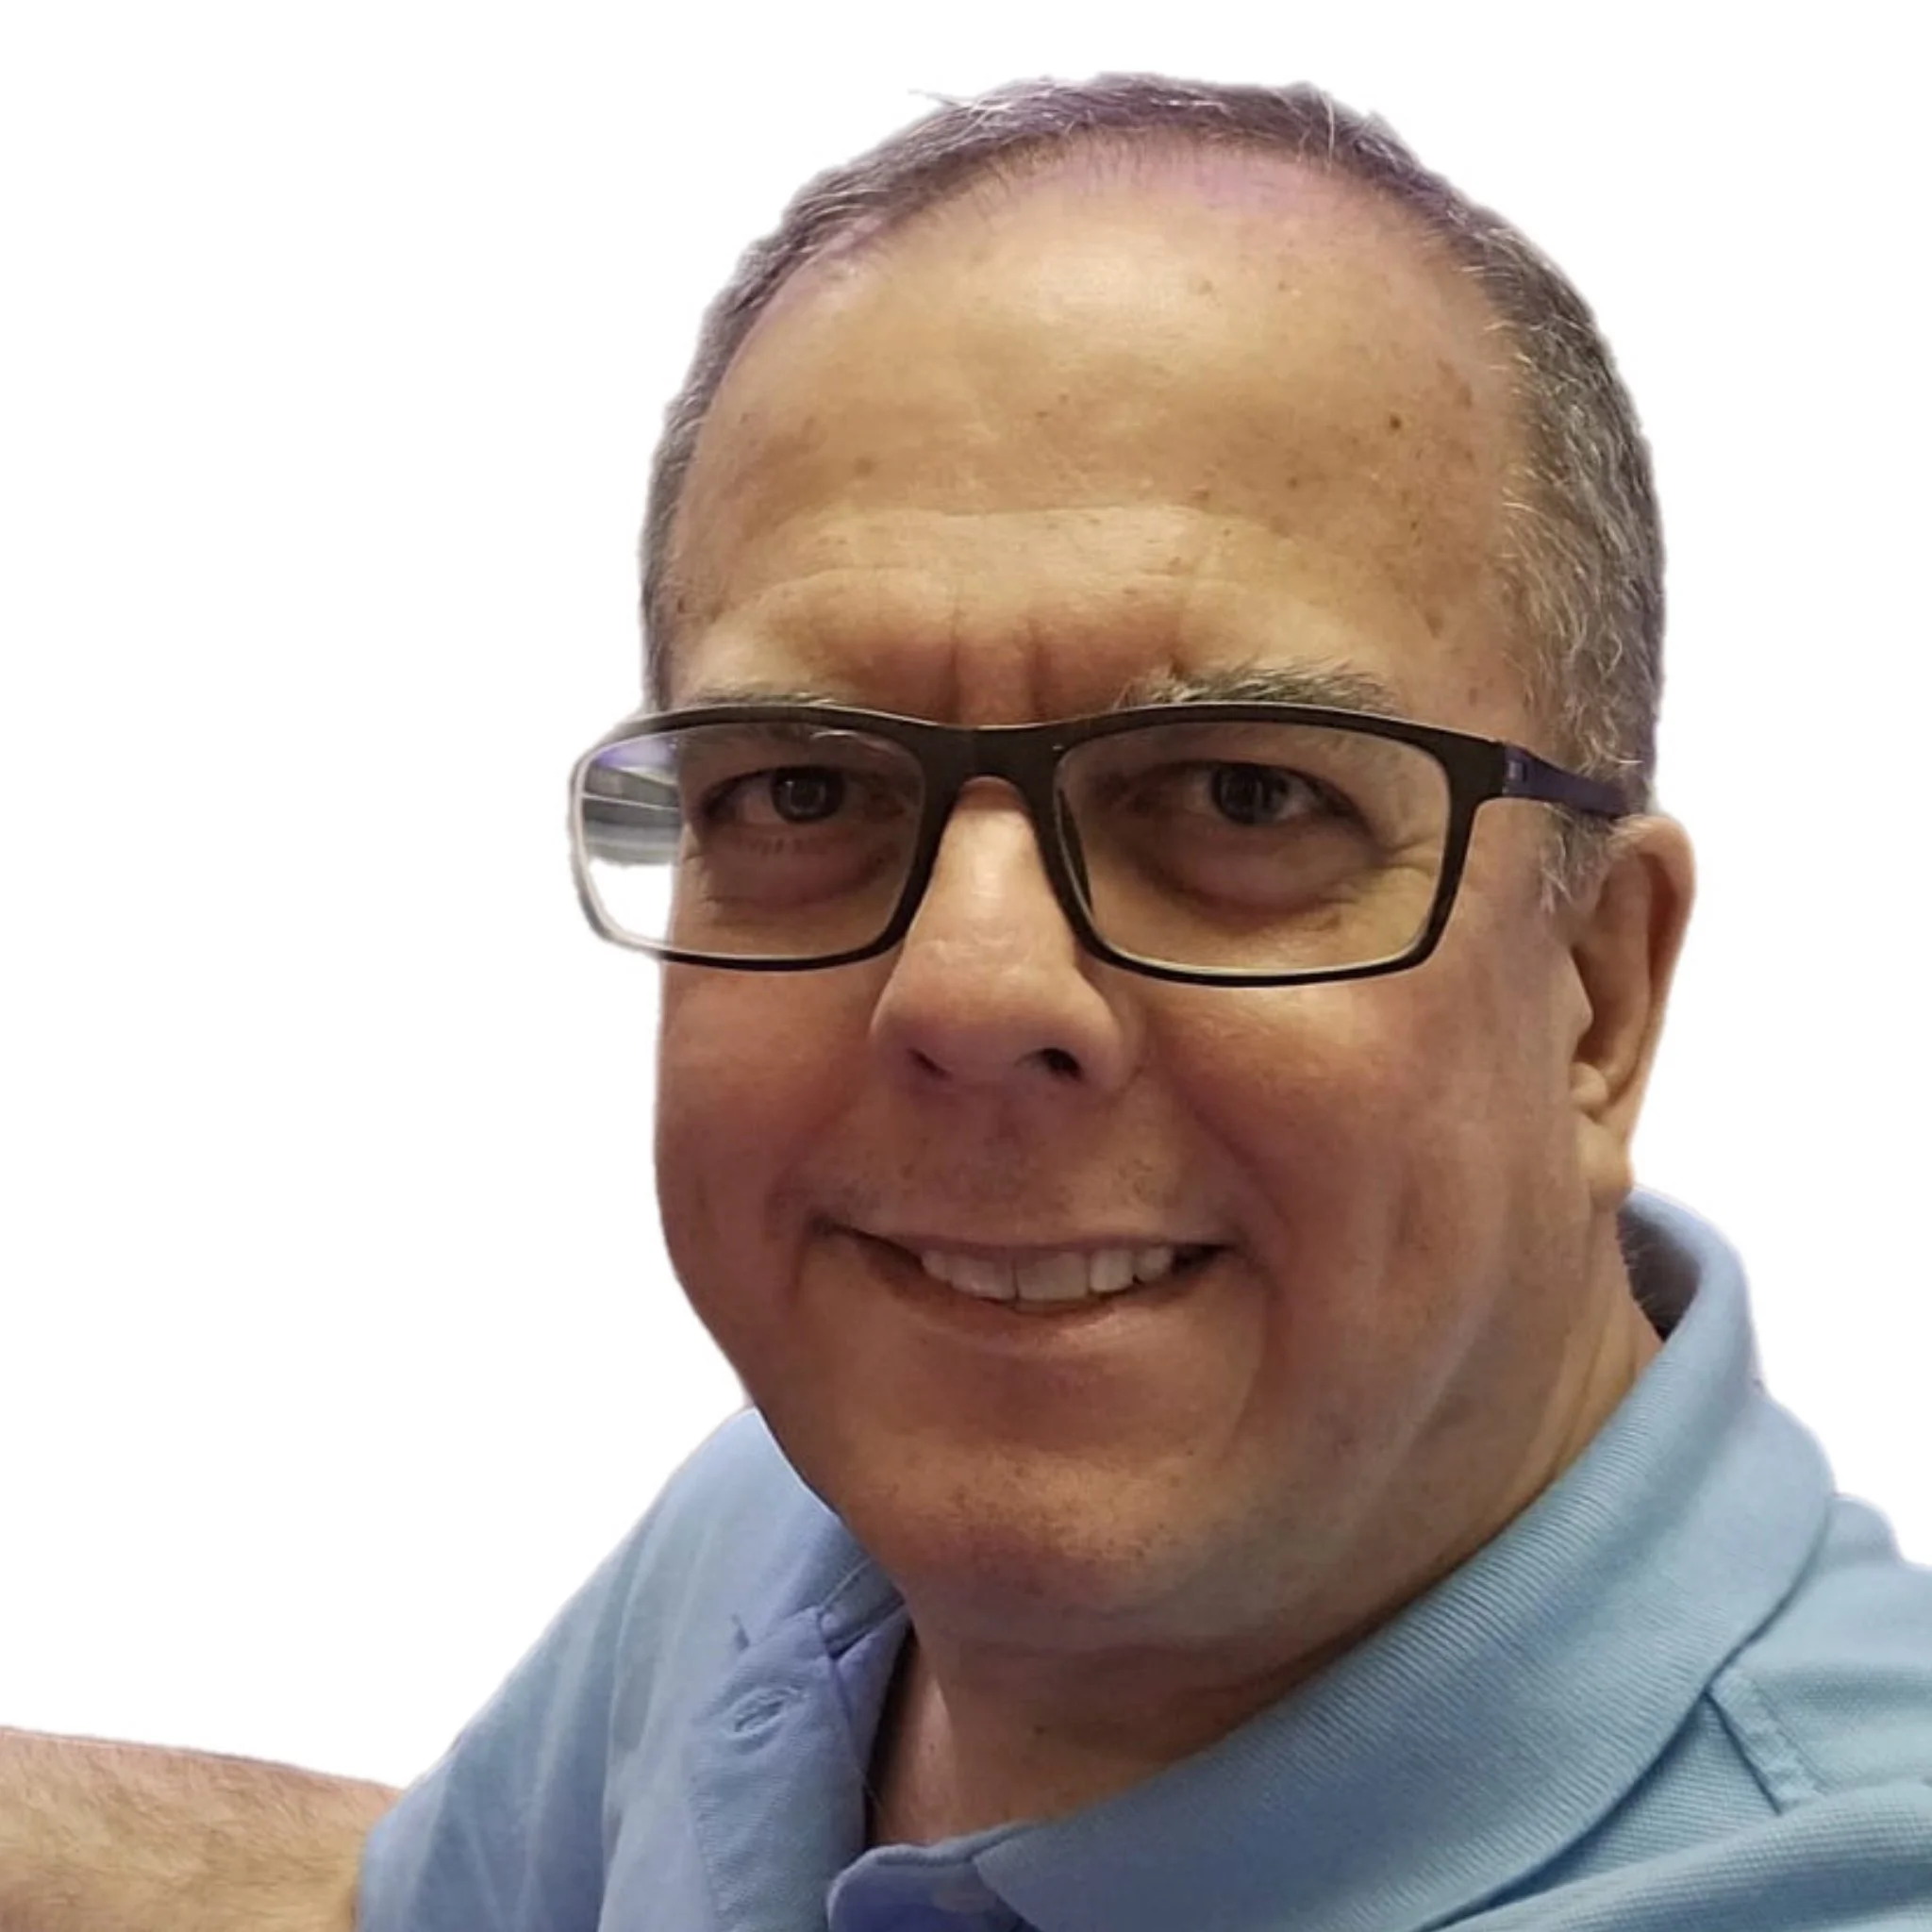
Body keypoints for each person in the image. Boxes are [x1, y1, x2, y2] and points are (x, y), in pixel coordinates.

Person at [5, 72, 1929, 1932]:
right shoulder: (834, 1494)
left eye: (1244, 795)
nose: (970, 985)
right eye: (807, 789)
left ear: (1598, 990)